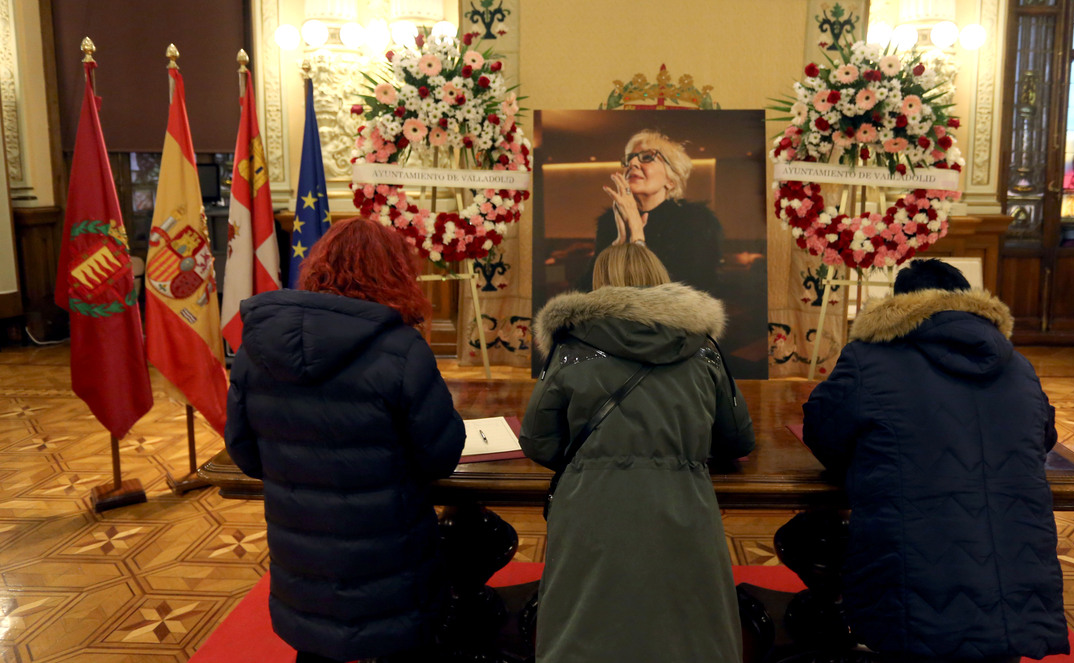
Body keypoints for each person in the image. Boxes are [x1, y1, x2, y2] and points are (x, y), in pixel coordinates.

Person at [800, 259, 1069, 663]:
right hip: (1012, 570)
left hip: (912, 568)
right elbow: (1043, 437)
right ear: (971, 302)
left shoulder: (867, 360)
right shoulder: (1017, 365)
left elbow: (823, 433)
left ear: (900, 305)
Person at [225, 217, 466, 663]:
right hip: (389, 567)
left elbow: (243, 451)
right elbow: (440, 456)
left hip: (304, 565)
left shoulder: (254, 347)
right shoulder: (402, 350)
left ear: (318, 267)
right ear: (396, 272)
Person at [522, 242, 755, 663]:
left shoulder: (571, 347)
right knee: (689, 635)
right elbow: (737, 440)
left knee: (584, 631)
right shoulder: (702, 349)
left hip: (591, 510)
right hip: (685, 507)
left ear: (599, 286)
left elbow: (539, 440)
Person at [588, 129, 723, 294]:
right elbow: (589, 291)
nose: (632, 164)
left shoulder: (696, 223)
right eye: (629, 159)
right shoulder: (610, 223)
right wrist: (616, 248)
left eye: (646, 157)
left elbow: (685, 299)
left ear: (671, 180)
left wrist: (637, 238)